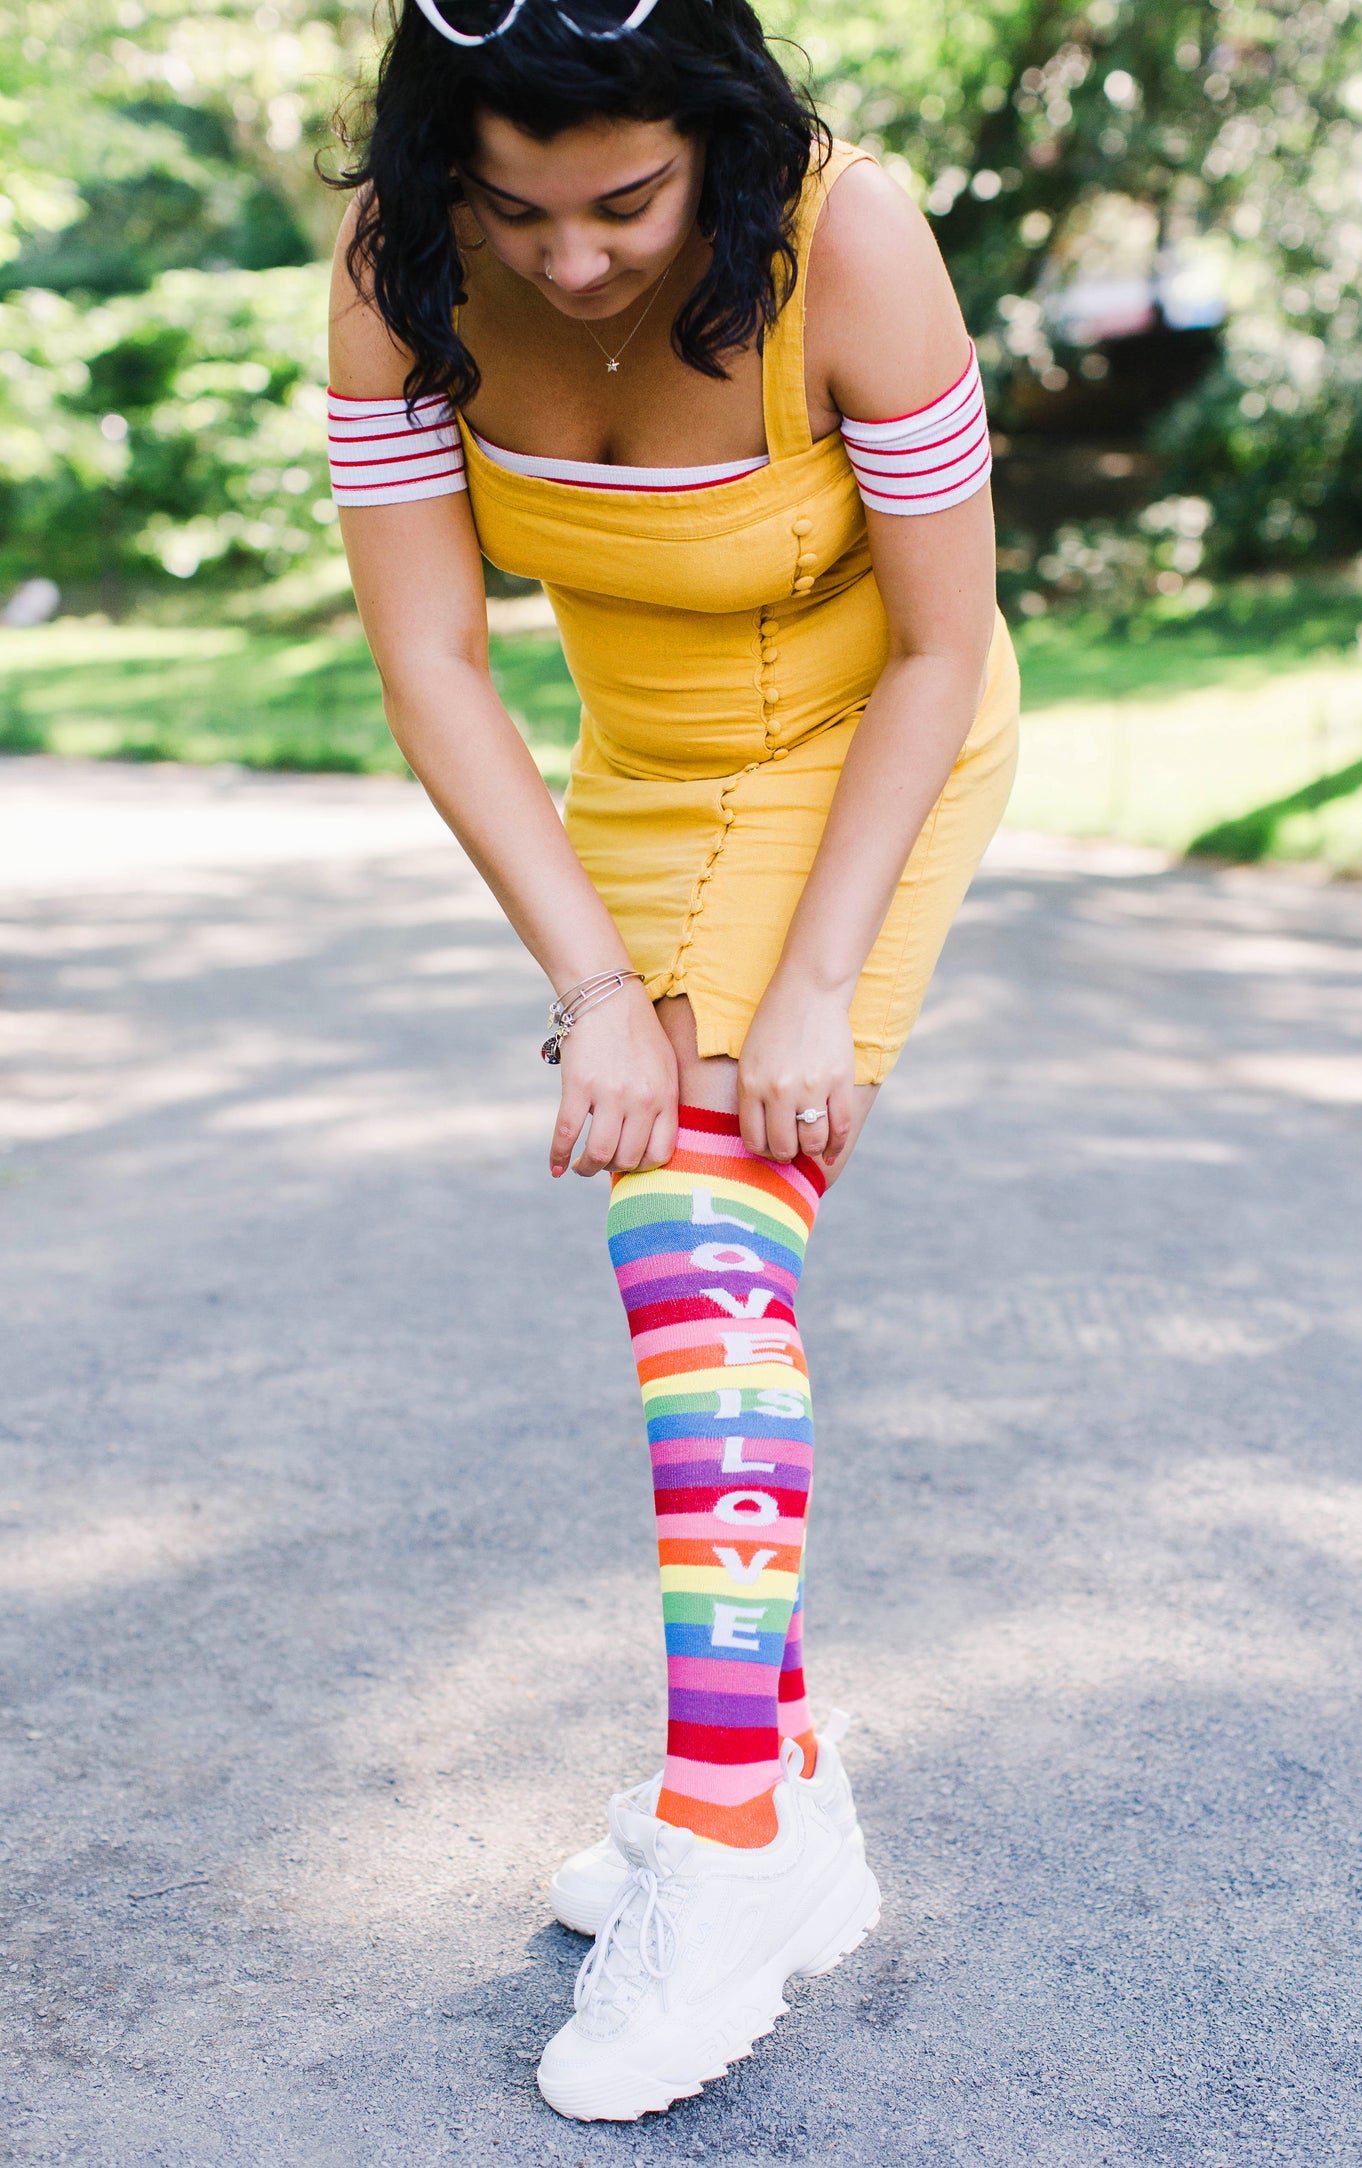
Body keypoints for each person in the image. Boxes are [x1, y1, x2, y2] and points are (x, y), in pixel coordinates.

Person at [328, 0, 1018, 2122]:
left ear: (713, 133)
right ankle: (781, 1789)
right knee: (689, 1230)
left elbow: (936, 635)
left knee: (698, 1259)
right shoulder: (393, 270)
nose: (575, 260)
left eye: (625, 199)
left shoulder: (854, 238)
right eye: (518, 206)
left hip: (875, 758)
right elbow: (431, 655)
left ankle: (726, 1837)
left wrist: (806, 986)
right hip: (645, 783)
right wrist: (595, 986)